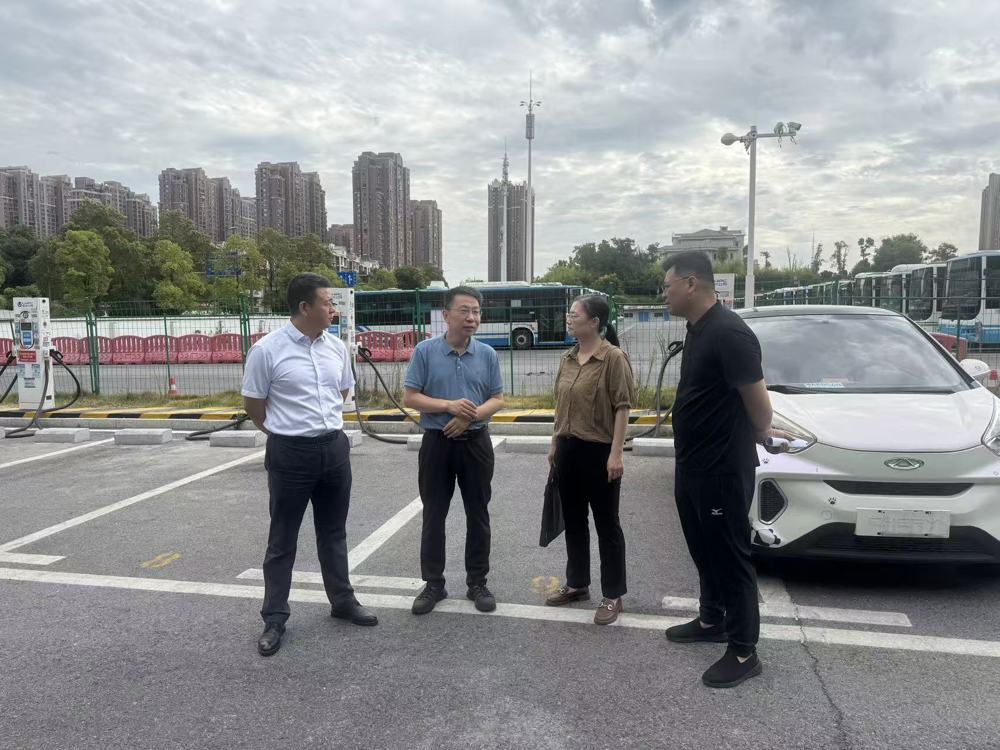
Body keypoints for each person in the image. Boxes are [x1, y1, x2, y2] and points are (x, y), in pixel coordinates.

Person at [242, 273, 378, 657]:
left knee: (334, 533)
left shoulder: (336, 348)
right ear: (305, 307)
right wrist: (287, 433)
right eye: (328, 303)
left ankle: (342, 601)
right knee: (282, 538)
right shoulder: (267, 351)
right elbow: (254, 405)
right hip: (290, 454)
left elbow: (342, 390)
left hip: (333, 449)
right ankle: (274, 617)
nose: (334, 310)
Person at [660, 251, 777, 688]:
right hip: (693, 465)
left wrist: (762, 431)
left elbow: (759, 407)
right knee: (703, 549)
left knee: (730, 556)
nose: (664, 294)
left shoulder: (730, 332)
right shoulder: (698, 329)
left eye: (668, 286)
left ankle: (744, 651)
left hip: (722, 469)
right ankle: (712, 619)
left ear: (691, 284)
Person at [402, 286, 505, 615]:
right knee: (433, 515)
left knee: (478, 514)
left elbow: (497, 399)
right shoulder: (425, 351)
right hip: (437, 443)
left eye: (476, 311)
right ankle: (434, 583)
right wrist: (449, 406)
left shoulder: (487, 354)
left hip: (476, 443)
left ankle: (478, 582)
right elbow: (411, 397)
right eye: (464, 310)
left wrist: (469, 416)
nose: (472, 317)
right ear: (446, 315)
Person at [545, 295, 635, 625]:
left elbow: (622, 407)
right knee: (574, 520)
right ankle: (577, 584)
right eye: (569, 314)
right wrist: (555, 443)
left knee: (607, 524)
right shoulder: (568, 358)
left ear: (594, 322)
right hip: (568, 450)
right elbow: (560, 405)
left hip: (600, 452)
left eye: (574, 315)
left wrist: (616, 454)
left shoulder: (613, 358)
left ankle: (613, 595)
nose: (569, 319)